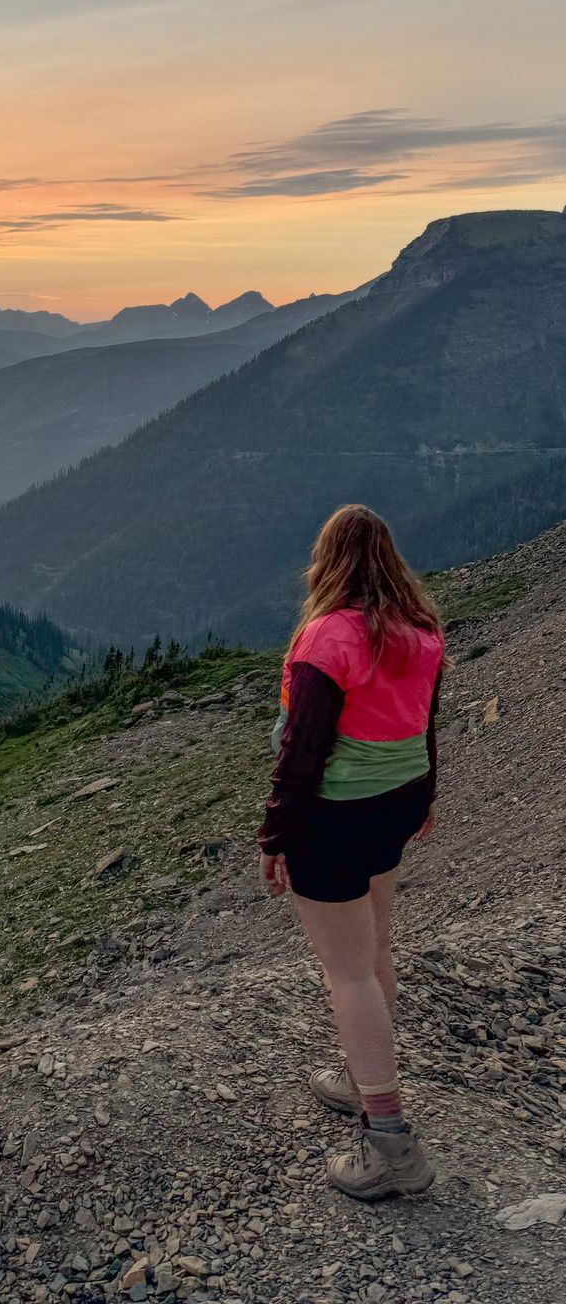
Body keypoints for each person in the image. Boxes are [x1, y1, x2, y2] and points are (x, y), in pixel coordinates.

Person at [258, 504, 443, 1199]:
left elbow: (301, 753)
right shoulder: (419, 631)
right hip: (394, 803)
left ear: (326, 559)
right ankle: (360, 1076)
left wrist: (274, 836)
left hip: (333, 817)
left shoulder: (324, 639)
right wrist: (425, 797)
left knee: (348, 974)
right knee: (373, 953)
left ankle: (389, 1142)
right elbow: (425, 723)